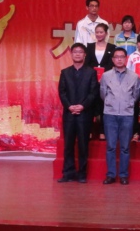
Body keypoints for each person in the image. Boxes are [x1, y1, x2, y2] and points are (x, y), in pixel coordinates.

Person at [57, 43, 98, 183]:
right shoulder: (65, 72)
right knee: (68, 145)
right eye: (75, 52)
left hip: (84, 114)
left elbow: (93, 93)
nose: (78, 54)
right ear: (71, 54)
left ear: (85, 54)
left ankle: (82, 174)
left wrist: (82, 106)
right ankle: (68, 173)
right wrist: (69, 106)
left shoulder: (91, 72)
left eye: (80, 52)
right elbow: (62, 92)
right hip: (69, 114)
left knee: (83, 145)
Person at [100, 48, 140, 185]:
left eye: (122, 57)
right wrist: (111, 103)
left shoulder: (134, 76)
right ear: (113, 60)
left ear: (126, 59)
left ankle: (123, 175)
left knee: (125, 147)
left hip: (127, 114)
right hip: (110, 114)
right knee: (111, 146)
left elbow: (136, 95)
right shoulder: (106, 76)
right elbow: (103, 94)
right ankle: (111, 175)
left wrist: (127, 104)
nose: (119, 59)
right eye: (116, 57)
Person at [84, 23, 116, 140]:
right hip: (91, 80)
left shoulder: (112, 47)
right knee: (90, 105)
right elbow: (87, 63)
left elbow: (112, 64)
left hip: (106, 80)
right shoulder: (90, 46)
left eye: (101, 32)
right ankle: (90, 131)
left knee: (104, 105)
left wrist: (103, 74)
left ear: (106, 33)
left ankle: (103, 131)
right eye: (97, 32)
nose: (99, 34)